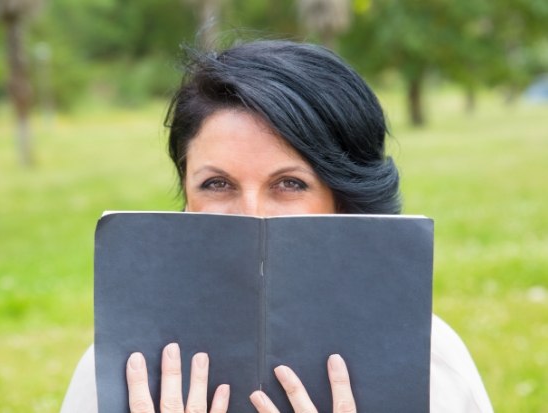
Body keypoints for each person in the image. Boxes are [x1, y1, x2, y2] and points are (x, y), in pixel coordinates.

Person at [60, 40, 494, 413]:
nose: (252, 214)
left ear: (343, 199)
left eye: (290, 183)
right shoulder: (117, 370)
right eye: (216, 184)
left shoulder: (430, 362)